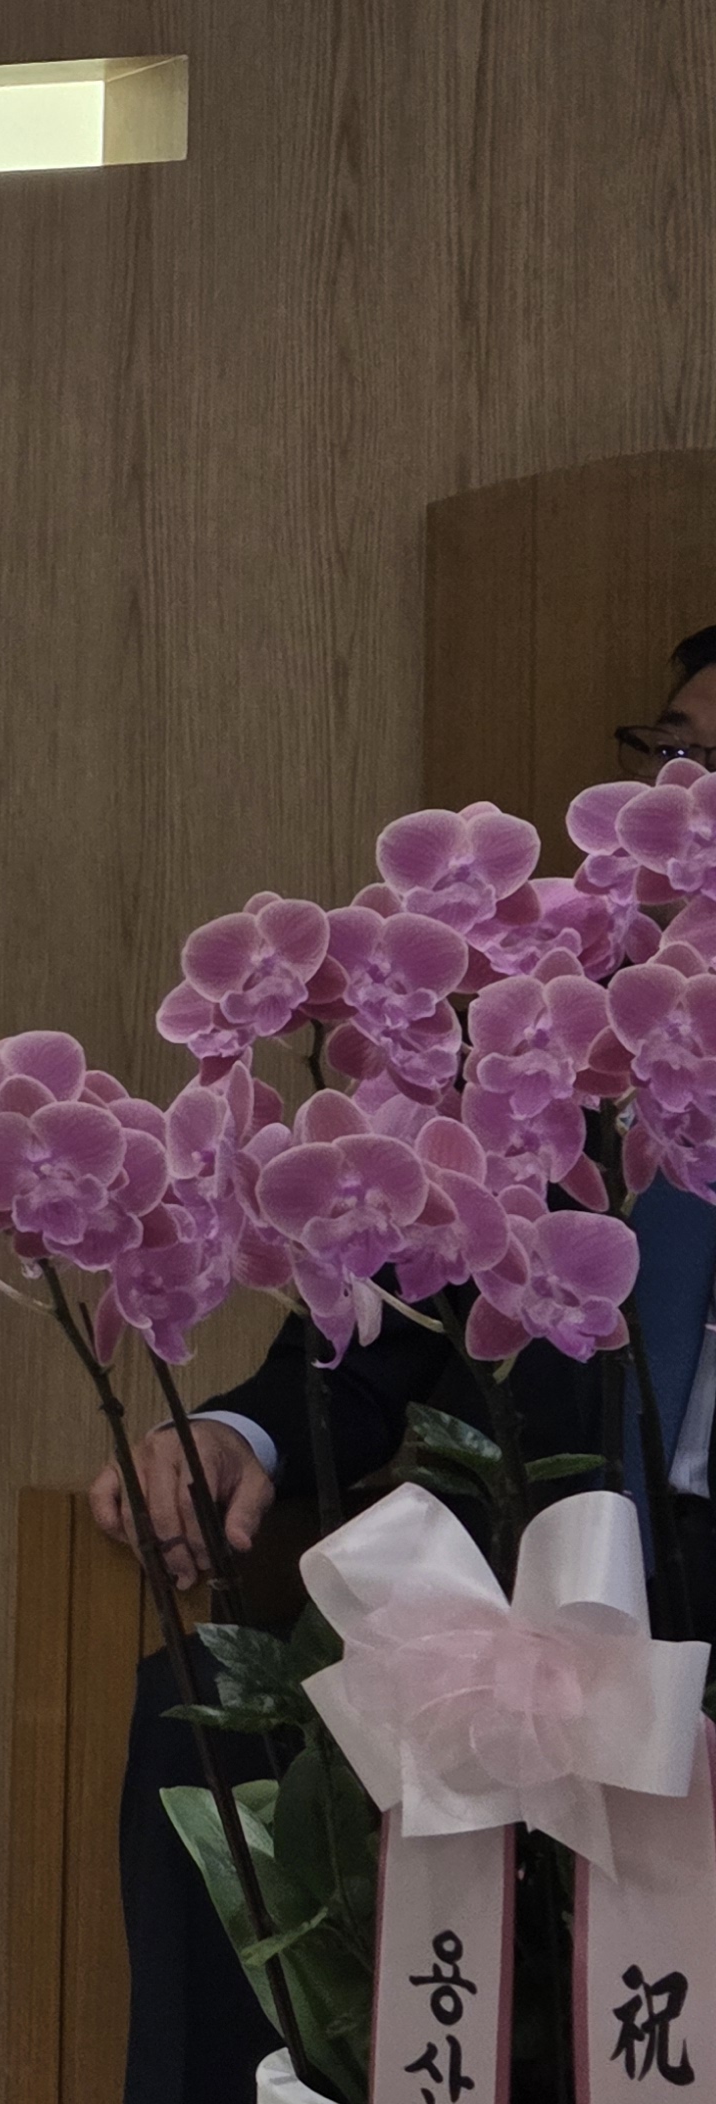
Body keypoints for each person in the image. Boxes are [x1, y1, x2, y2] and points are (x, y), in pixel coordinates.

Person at [91, 623, 716, 2104]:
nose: (689, 797)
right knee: (203, 1717)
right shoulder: (552, 1056)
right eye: (676, 754)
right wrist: (237, 1436)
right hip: (524, 1607)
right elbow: (369, 1330)